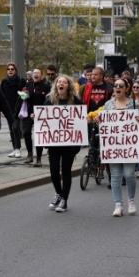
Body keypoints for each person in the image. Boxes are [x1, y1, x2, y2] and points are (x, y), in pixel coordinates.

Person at [94, 78, 139, 217]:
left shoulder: (134, 104)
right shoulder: (108, 104)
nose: (118, 87)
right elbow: (104, 125)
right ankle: (118, 205)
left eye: (121, 85)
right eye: (116, 85)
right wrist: (99, 120)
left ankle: (131, 201)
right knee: (115, 176)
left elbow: (138, 127)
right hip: (113, 146)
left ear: (126, 88)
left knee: (128, 175)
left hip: (128, 146)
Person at [45, 75, 82, 212]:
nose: (61, 84)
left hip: (69, 144)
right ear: (56, 85)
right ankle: (58, 193)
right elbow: (44, 119)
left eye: (64, 82)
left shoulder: (76, 102)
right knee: (54, 171)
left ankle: (64, 200)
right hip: (54, 143)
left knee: (66, 172)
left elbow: (80, 120)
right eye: (59, 82)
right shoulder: (49, 101)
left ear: (68, 86)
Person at [16, 68, 51, 166]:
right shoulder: (28, 85)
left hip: (40, 114)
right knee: (26, 132)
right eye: (34, 73)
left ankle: (38, 158)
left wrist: (40, 112)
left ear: (41, 75)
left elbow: (48, 101)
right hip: (28, 113)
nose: (35, 74)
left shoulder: (46, 87)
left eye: (38, 73)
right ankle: (30, 154)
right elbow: (23, 99)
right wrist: (23, 95)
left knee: (38, 135)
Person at [0, 62, 26, 158]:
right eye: (8, 69)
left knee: (15, 127)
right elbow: (1, 96)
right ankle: (14, 148)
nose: (10, 71)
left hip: (18, 108)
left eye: (12, 69)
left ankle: (18, 149)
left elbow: (26, 92)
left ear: (15, 71)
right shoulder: (4, 82)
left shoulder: (20, 80)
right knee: (11, 129)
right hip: (8, 109)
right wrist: (1, 109)